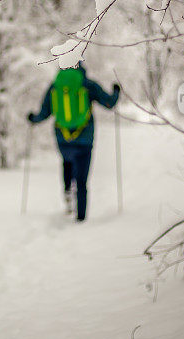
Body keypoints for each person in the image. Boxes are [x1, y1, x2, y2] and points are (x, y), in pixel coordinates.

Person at [27, 63, 120, 221]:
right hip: (84, 140)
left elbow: (44, 113)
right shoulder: (87, 84)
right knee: (82, 181)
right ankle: (81, 218)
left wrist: (33, 118)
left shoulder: (55, 86)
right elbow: (109, 103)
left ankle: (68, 191)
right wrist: (116, 91)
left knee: (67, 161)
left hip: (62, 138)